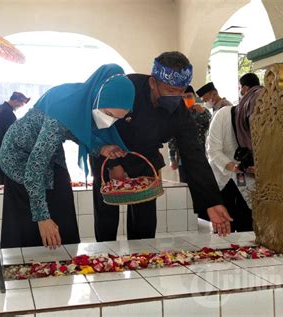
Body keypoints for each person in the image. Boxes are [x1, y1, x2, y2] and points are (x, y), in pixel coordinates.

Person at [90, 51, 232, 242]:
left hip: (145, 160)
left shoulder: (179, 112)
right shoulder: (126, 87)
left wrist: (212, 201)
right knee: (106, 217)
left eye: (180, 91)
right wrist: (112, 165)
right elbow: (99, 125)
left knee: (144, 225)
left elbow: (194, 155)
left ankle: (142, 263)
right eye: (169, 91)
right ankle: (105, 261)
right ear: (152, 83)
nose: (176, 97)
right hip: (109, 154)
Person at [0, 64, 135, 249]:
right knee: (30, 225)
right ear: (97, 99)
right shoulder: (63, 109)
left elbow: (73, 130)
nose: (110, 121)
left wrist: (100, 147)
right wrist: (43, 218)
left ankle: (64, 262)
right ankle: (29, 267)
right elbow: (34, 170)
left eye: (117, 118)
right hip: (18, 157)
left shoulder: (83, 99)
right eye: (108, 114)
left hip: (50, 153)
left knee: (63, 210)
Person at [206, 104, 255, 232]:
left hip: (249, 185)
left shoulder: (262, 120)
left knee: (248, 227)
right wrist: (234, 166)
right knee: (224, 229)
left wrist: (257, 167)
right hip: (224, 181)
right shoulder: (223, 115)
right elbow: (213, 151)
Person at [168, 86, 211, 183]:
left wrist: (203, 113)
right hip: (182, 157)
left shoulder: (202, 111)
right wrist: (172, 158)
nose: (187, 99)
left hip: (200, 155)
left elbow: (210, 125)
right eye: (183, 97)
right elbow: (172, 138)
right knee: (185, 185)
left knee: (201, 183)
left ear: (194, 96)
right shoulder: (176, 114)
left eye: (189, 96)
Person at [0, 92, 30, 185]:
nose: (21, 106)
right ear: (16, 100)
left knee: (1, 178)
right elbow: (12, 135)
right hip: (5, 151)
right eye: (21, 103)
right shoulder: (8, 113)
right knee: (7, 181)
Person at [236, 73, 264, 152]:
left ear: (245, 88)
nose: (239, 91)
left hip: (258, 147)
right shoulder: (266, 93)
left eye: (239, 88)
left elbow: (254, 124)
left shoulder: (252, 98)